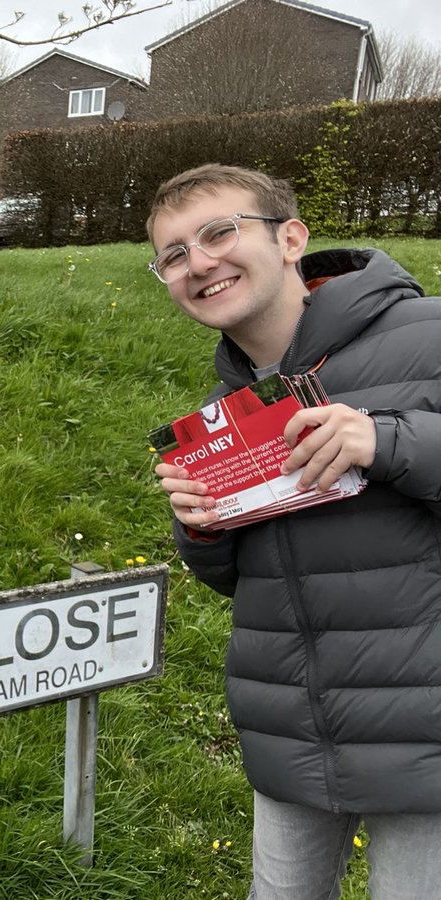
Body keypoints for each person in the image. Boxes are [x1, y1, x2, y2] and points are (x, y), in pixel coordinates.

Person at [148, 163, 441, 899]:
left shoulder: (429, 333)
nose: (200, 263)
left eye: (219, 232)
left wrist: (388, 440)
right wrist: (202, 528)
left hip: (424, 724)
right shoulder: (228, 404)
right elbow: (239, 579)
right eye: (174, 255)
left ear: (291, 239)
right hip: (292, 724)